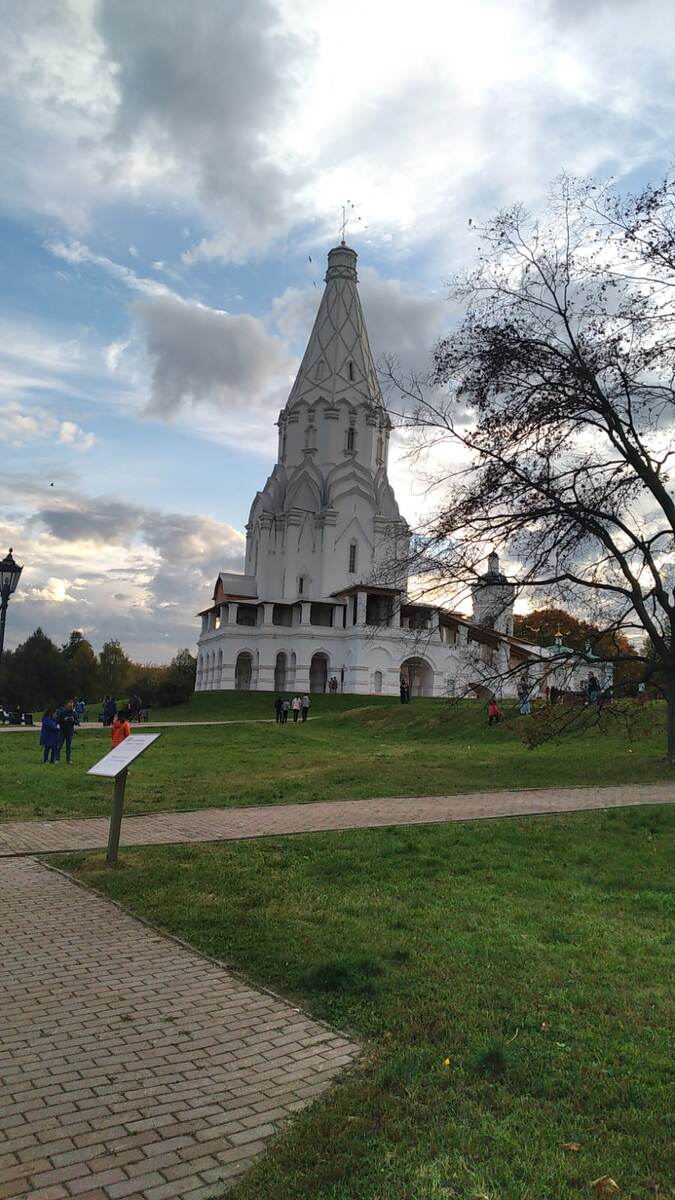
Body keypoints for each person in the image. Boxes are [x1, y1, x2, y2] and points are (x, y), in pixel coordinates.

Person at [56, 699, 78, 765]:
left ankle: (68, 759)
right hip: (62, 731)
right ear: (66, 705)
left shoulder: (74, 713)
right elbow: (58, 721)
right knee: (59, 745)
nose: (70, 708)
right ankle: (57, 758)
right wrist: (64, 719)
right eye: (69, 706)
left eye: (72, 706)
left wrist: (73, 720)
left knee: (69, 746)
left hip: (70, 731)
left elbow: (77, 722)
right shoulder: (62, 712)